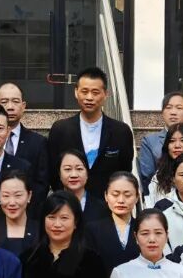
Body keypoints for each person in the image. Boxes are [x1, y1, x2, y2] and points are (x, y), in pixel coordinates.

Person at [46, 67, 134, 198]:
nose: (89, 97)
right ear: (76, 92)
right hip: (70, 203)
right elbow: (53, 172)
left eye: (95, 92)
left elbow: (124, 172)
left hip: (107, 205)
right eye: (84, 91)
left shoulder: (121, 131)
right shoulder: (60, 129)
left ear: (106, 94)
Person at [0, 82, 50, 210]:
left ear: (23, 106)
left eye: (15, 101)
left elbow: (42, 184)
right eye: (4, 102)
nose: (10, 107)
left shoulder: (38, 142)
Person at [84, 171, 141, 271]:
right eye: (115, 194)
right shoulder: (92, 230)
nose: (121, 200)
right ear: (106, 196)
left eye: (127, 195)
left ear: (137, 197)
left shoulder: (144, 228)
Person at [137, 92, 183, 191]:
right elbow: (147, 175)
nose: (173, 112)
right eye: (168, 107)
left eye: (179, 108)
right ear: (162, 113)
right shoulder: (150, 141)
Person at [0, 169, 38, 257]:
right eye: (6, 196)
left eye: (18, 195)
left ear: (29, 196)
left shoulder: (40, 230)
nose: (12, 202)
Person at [56, 150, 109, 223]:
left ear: (87, 174)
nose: (74, 175)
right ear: (59, 174)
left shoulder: (102, 208)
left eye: (79, 169)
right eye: (68, 169)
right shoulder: (50, 206)